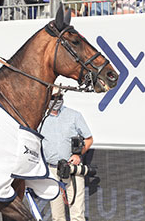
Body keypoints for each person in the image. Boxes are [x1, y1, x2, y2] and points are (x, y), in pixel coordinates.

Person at [40, 90, 93, 221]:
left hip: (72, 168)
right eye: (53, 97)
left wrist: (78, 154)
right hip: (51, 169)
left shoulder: (74, 115)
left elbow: (89, 139)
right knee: (57, 216)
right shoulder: (40, 117)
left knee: (77, 214)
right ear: (47, 97)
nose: (56, 100)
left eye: (59, 97)